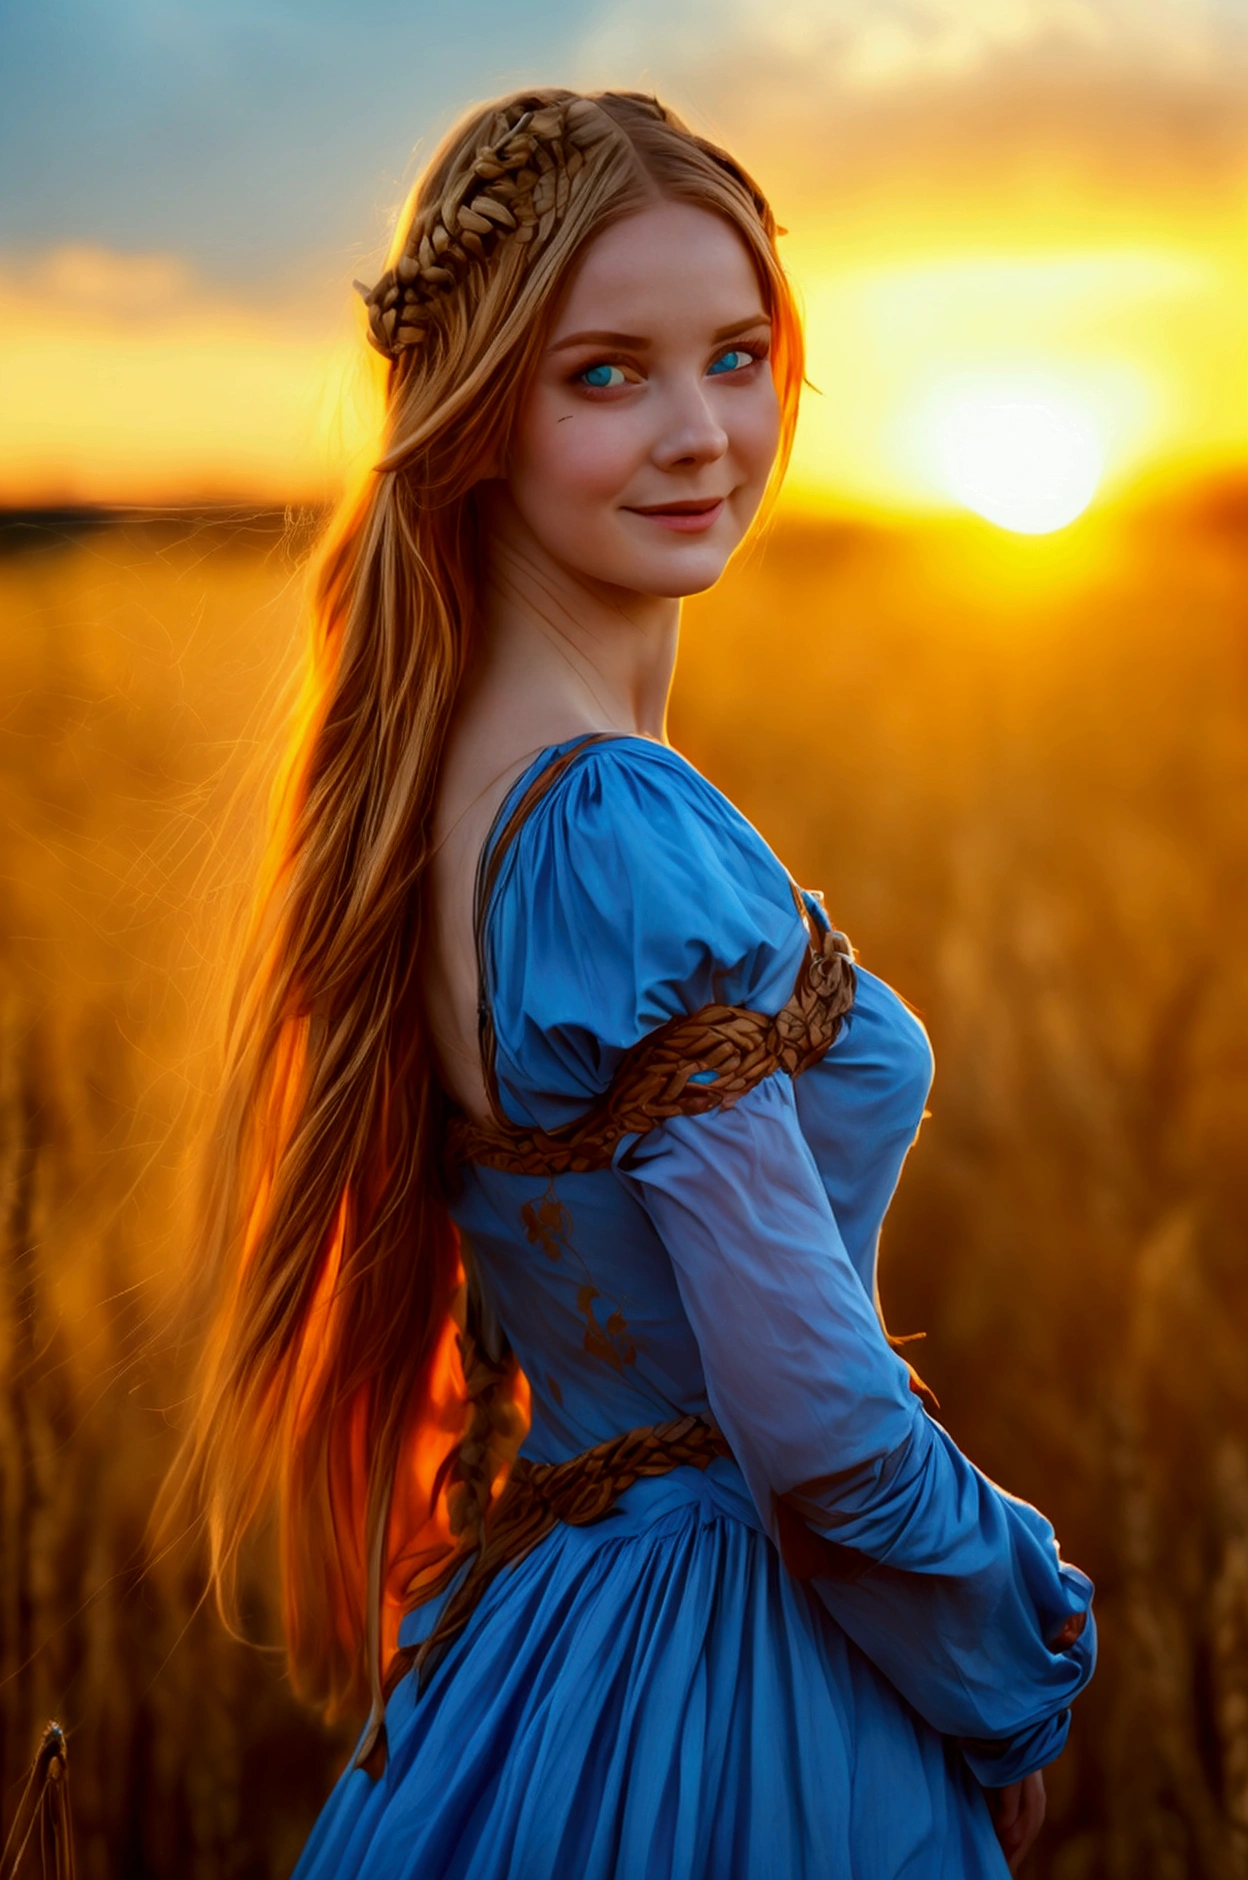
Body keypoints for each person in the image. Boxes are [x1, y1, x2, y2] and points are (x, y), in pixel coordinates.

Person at [168, 87, 1096, 1879]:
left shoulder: (456, 780)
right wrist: (1013, 1666)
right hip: (740, 1681)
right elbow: (818, 1435)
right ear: (479, 415)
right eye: (609, 373)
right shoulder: (605, 826)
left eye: (737, 357)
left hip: (559, 1642)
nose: (701, 432)